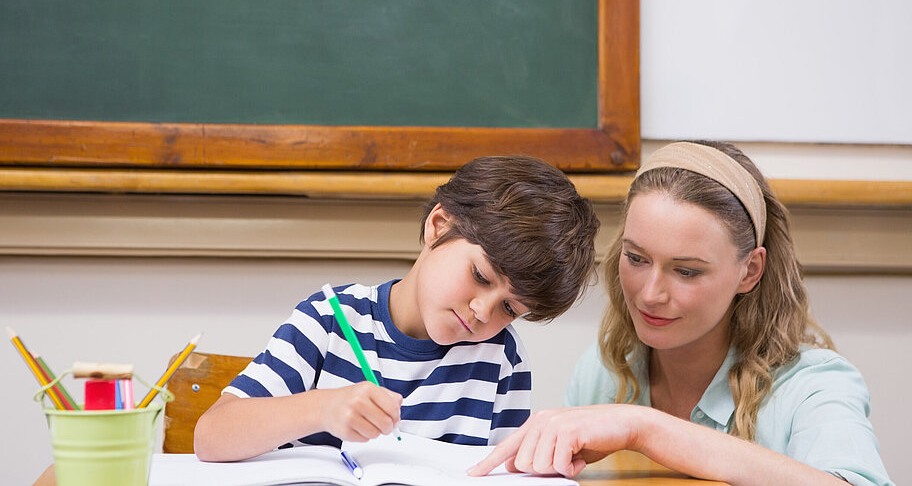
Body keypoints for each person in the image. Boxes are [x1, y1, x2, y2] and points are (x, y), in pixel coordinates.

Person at [469, 141, 894, 486]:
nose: (650, 294)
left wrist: (645, 429)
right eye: (636, 259)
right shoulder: (603, 373)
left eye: (687, 271)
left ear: (750, 271)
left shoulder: (814, 386)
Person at [193, 155, 600, 462]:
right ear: (438, 226)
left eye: (509, 308)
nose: (482, 311)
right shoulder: (330, 320)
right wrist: (320, 408)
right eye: (480, 275)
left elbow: (499, 472)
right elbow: (211, 437)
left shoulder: (502, 360)